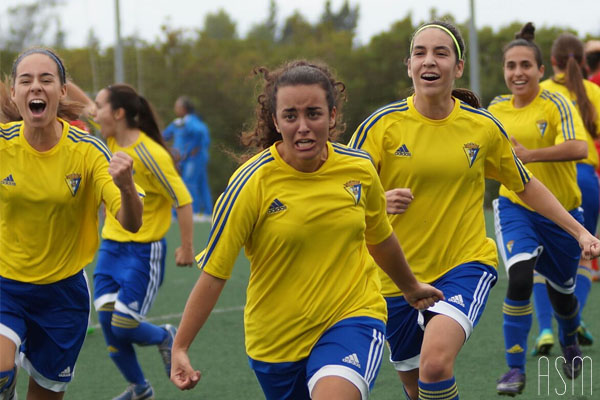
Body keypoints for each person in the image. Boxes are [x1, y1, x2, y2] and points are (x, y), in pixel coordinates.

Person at [348, 20, 600, 400]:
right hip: (394, 278)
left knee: (435, 364)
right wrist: (378, 201)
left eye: (440, 53)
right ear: (409, 64)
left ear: (458, 67)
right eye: (420, 53)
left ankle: (520, 362)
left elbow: (525, 184)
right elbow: (343, 191)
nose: (429, 61)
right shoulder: (381, 127)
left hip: (463, 266)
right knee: (417, 388)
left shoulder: (482, 127)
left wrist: (580, 231)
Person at [169, 60, 443, 400]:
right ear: (275, 120)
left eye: (313, 113)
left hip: (352, 316)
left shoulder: (359, 169)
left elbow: (380, 237)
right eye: (290, 116)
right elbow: (214, 274)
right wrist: (180, 346)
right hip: (276, 343)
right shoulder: (250, 184)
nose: (303, 126)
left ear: (331, 115)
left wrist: (409, 286)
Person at [0, 48, 143, 400]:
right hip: (6, 285)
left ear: (62, 91)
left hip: (62, 297)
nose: (36, 87)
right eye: (26, 80)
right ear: (15, 93)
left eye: (46, 80)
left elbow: (131, 221)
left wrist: (126, 187)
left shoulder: (88, 151)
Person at [487, 23, 600, 395]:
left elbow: (579, 149)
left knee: (563, 295)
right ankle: (514, 369)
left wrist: (528, 155)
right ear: (504, 71)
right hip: (514, 207)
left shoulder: (556, 102)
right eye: (510, 66)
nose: (517, 73)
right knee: (519, 276)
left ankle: (569, 339)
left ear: (540, 69)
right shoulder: (495, 109)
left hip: (564, 213)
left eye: (524, 65)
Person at [81, 83, 196, 400]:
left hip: (144, 252)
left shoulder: (151, 154)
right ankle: (140, 389)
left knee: (124, 325)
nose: (95, 110)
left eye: (101, 105)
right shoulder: (109, 138)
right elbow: (83, 104)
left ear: (118, 113)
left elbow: (183, 201)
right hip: (110, 248)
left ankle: (165, 336)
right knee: (107, 323)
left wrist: (186, 247)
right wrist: (60, 87)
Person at [528, 32, 600, 356]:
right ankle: (573, 319)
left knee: (541, 259)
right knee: (586, 253)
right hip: (587, 178)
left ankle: (545, 327)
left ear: (550, 63)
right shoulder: (594, 92)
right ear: (583, 62)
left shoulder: (542, 92)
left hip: (550, 181)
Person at [163, 96, 212, 222]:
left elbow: (200, 133)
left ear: (183, 109)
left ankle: (194, 212)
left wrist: (195, 148)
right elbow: (164, 136)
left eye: (177, 107)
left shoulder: (189, 121)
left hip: (194, 159)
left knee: (190, 183)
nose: (175, 109)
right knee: (199, 183)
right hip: (186, 159)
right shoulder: (178, 123)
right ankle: (205, 212)